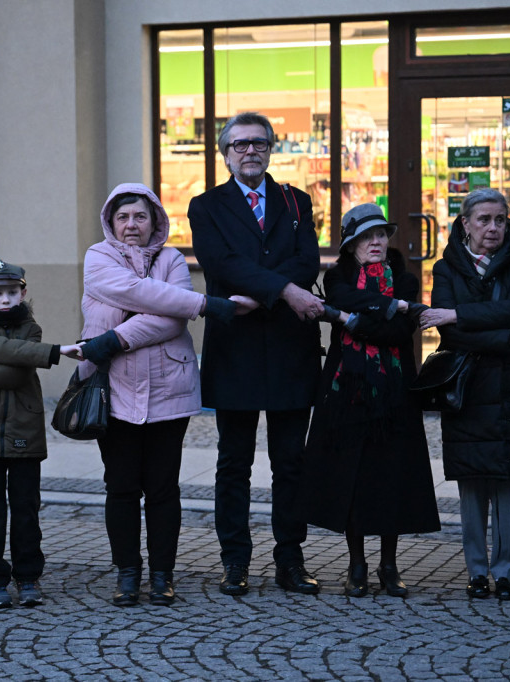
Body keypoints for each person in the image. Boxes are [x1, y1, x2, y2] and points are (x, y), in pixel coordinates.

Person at [80, 183, 250, 607]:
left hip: (167, 390)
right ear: (110, 222)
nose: (131, 225)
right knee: (120, 487)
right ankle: (126, 574)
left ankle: (161, 576)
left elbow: (173, 321)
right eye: (123, 217)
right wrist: (195, 304)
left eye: (140, 216)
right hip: (112, 389)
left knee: (162, 488)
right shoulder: (98, 257)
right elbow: (145, 297)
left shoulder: (172, 258)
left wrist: (114, 339)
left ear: (155, 219)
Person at [188, 111, 324, 597]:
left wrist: (277, 288)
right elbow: (221, 264)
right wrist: (286, 291)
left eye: (259, 143)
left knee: (291, 462)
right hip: (237, 348)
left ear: (271, 149)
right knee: (234, 463)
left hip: (290, 349)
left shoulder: (296, 200)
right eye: (240, 144)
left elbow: (308, 259)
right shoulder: (205, 206)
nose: (251, 151)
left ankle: (290, 559)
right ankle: (235, 561)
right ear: (225, 153)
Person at [419, 189, 510, 601]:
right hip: (469, 390)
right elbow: (450, 334)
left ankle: (506, 572)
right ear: (465, 224)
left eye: (499, 219)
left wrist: (462, 314)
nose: (493, 227)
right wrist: (507, 337)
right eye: (484, 220)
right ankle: (477, 572)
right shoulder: (446, 267)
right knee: (473, 483)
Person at [305, 203, 439, 598]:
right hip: (347, 391)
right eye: (366, 237)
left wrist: (350, 319)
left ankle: (389, 565)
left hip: (395, 392)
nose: (376, 242)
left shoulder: (407, 280)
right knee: (354, 476)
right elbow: (345, 297)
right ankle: (357, 564)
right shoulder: (337, 277)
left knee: (392, 475)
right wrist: (386, 307)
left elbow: (398, 334)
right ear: (350, 246)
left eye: (380, 234)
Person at [0, 260, 81, 608]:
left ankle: (27, 578)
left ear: (22, 292)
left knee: (26, 509)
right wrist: (51, 353)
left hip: (24, 427)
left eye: (11, 292)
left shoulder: (30, 327)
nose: (5, 299)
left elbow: (17, 374)